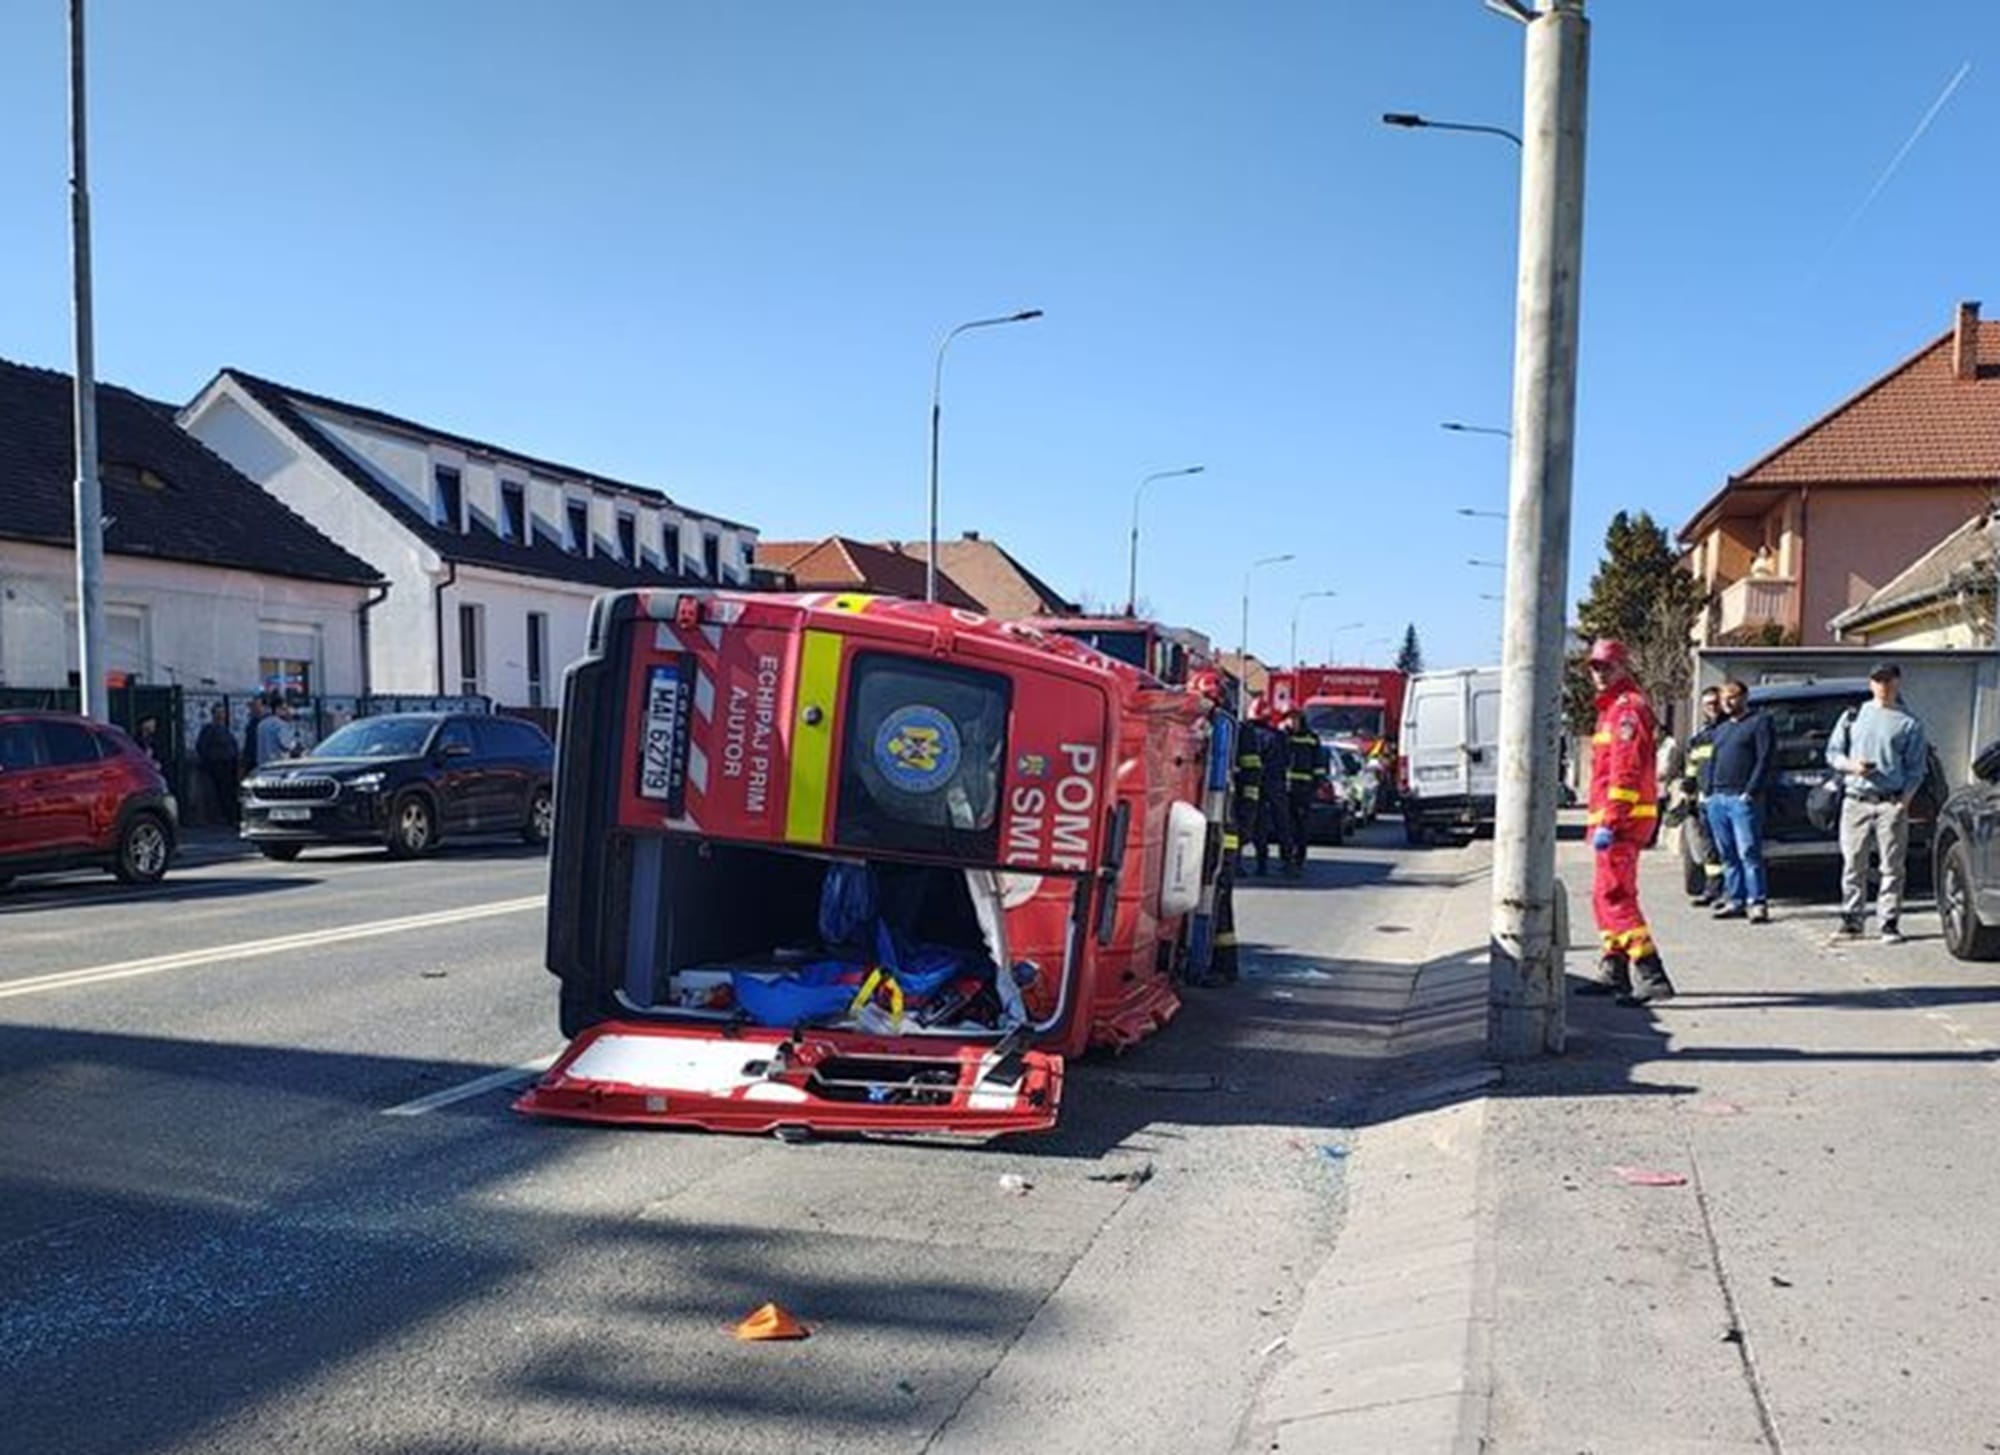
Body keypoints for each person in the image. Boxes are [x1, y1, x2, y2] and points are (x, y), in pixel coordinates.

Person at [1582, 638, 1675, 1004]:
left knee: (1615, 895)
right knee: (1603, 895)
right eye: (1595, 667)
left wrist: (1612, 820)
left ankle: (1651, 973)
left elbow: (1626, 771)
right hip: (1614, 819)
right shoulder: (1612, 709)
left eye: (1607, 667)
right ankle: (1614, 967)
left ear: (1623, 667)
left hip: (1621, 821)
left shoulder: (1626, 710)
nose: (1599, 674)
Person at [1826, 662, 1930, 943]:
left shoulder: (1909, 723)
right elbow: (1833, 753)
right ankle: (1852, 920)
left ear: (1897, 682)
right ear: (1871, 684)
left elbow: (1916, 768)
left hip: (1890, 802)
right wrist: (1853, 766)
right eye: (1877, 680)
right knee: (1853, 863)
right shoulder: (1853, 716)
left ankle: (1889, 922)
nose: (1883, 686)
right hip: (1856, 799)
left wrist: (1904, 802)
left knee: (1892, 866)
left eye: (1887, 680)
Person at [1703, 679, 1776, 924]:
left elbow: (1764, 759)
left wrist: (1750, 791)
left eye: (1732, 696)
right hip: (1718, 798)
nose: (1727, 702)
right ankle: (1735, 900)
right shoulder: (1721, 729)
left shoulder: (1759, 723)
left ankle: (1757, 902)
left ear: (1744, 697)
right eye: (1724, 697)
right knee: (1727, 853)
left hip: (1742, 798)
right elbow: (1712, 760)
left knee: (1748, 852)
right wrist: (1709, 792)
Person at [1676, 687, 1725, 906]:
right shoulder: (1701, 738)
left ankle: (1730, 892)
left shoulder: (1727, 732)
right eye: (1707, 704)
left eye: (1715, 703)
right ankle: (1713, 889)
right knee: (1709, 848)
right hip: (1704, 799)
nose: (1712, 708)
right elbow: (1693, 766)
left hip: (1723, 796)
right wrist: (1688, 788)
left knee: (1727, 847)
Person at [1249, 709, 1294, 877]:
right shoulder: (1279, 736)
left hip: (1256, 783)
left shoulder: (1249, 735)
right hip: (1276, 783)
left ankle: (1261, 863)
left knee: (1258, 823)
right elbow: (1288, 760)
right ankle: (1287, 861)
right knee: (1282, 822)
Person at [1282, 709, 1326, 877]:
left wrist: (1316, 785)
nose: (1292, 723)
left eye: (1295, 719)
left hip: (1303, 789)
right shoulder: (1282, 736)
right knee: (1285, 825)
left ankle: (1299, 858)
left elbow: (1318, 764)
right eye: (1289, 719)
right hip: (1285, 789)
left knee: (1301, 826)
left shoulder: (1311, 738)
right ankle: (1286, 858)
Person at [196, 703, 241, 826]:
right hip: (218, 766)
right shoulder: (209, 729)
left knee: (230, 792)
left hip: (229, 765)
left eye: (222, 713)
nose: (221, 715)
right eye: (218, 713)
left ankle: (231, 816)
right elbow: (201, 747)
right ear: (213, 714)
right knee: (221, 793)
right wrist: (211, 759)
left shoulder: (226, 729)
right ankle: (225, 817)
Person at [256, 693, 300, 767]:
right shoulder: (280, 724)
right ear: (277, 709)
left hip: (263, 764)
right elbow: (287, 745)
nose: (286, 711)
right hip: (278, 764)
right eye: (284, 709)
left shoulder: (261, 724)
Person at [241, 694, 270, 775]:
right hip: (252, 762)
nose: (253, 708)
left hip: (266, 761)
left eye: (256, 705)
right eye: (253, 706)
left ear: (264, 707)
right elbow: (248, 744)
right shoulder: (252, 723)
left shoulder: (270, 722)